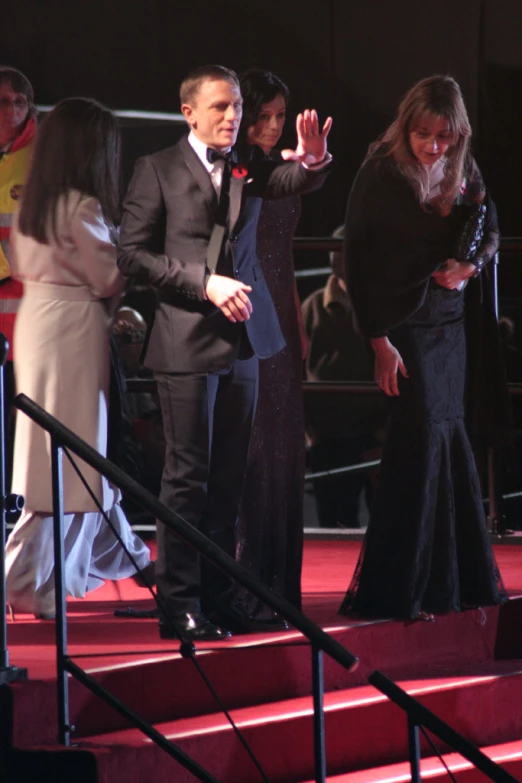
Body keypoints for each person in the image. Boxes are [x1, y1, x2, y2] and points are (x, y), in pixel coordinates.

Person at [118, 64, 332, 641]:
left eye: (237, 106)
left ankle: (218, 595)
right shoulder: (156, 169)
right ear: (189, 111)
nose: (233, 116)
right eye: (220, 107)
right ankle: (179, 604)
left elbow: (289, 182)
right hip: (186, 342)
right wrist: (202, 282)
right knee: (188, 477)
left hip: (244, 344)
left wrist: (312, 162)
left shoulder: (247, 165)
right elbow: (132, 257)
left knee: (229, 480)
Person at [338, 75, 509, 621]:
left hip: (451, 319)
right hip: (403, 321)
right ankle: (402, 587)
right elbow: (357, 261)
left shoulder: (464, 167)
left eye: (444, 137)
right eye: (423, 134)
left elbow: (491, 229)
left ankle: (450, 582)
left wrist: (471, 265)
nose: (434, 146)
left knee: (449, 434)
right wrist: (379, 341)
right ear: (405, 126)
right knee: (416, 440)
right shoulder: (380, 170)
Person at [5, 98, 152, 619]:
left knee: (49, 452)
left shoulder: (34, 203)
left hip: (37, 320)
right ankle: (27, 578)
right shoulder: (82, 207)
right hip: (73, 326)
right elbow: (109, 278)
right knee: (74, 450)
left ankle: (87, 562)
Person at [234, 68, 307, 620]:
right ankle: (246, 581)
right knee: (254, 450)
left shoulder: (284, 167)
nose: (272, 126)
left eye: (280, 116)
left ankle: (279, 586)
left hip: (284, 310)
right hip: (247, 311)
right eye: (264, 116)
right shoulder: (236, 169)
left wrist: (300, 321)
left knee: (284, 449)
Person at [302, 225, 387, 528]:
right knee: (334, 525)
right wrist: (309, 429)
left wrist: (384, 430)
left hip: (375, 434)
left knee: (387, 526)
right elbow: (297, 370)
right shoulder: (311, 307)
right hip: (329, 437)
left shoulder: (383, 305)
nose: (341, 259)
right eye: (336, 251)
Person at [0, 66, 37, 492]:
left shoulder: (45, 155)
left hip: (31, 320)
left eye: (19, 101)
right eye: (2, 100)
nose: (11, 109)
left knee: (25, 428)